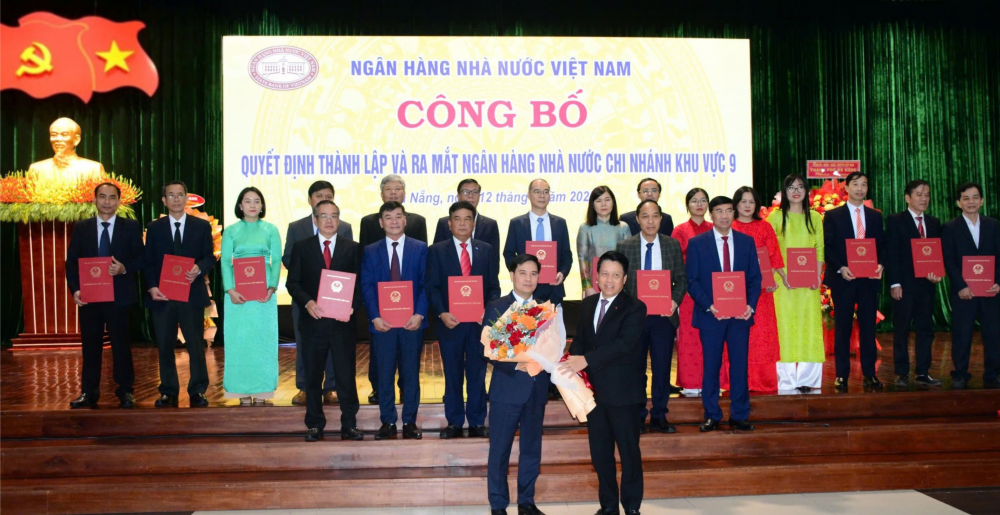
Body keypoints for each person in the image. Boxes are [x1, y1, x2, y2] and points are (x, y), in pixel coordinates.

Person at [561, 251, 647, 515]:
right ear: (596, 276)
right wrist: (566, 363)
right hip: (594, 394)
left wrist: (585, 360)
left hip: (624, 394)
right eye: (605, 274)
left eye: (616, 275)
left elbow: (624, 345)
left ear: (625, 279)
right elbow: (580, 341)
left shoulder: (635, 307)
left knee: (629, 454)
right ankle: (608, 506)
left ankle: (631, 507)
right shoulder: (587, 305)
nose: (609, 280)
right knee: (601, 455)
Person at [286, 200, 364, 441]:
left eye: (334, 216)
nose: (329, 221)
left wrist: (353, 306)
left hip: (342, 324)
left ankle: (349, 424)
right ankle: (314, 424)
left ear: (339, 220)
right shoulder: (302, 247)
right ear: (315, 219)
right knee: (312, 377)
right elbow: (293, 283)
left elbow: (361, 283)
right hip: (313, 322)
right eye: (324, 216)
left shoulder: (352, 248)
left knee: (345, 376)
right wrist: (307, 302)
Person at [685, 196, 762, 432]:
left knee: (739, 366)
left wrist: (750, 306)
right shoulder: (697, 243)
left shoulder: (746, 242)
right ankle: (712, 415)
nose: (725, 215)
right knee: (711, 367)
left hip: (740, 316)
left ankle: (739, 415)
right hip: (711, 316)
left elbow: (755, 278)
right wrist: (709, 306)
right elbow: (692, 281)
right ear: (711, 215)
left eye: (729, 210)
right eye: (719, 211)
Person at [426, 201, 501, 438]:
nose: (462, 224)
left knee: (477, 373)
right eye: (457, 219)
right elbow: (432, 287)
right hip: (450, 324)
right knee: (453, 373)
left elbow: (493, 286)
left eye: (467, 219)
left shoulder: (485, 249)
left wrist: (487, 311)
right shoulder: (437, 250)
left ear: (474, 223)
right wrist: (442, 313)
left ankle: (477, 421)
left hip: (478, 325)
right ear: (449, 224)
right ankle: (455, 422)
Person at [65, 182, 143, 409]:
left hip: (120, 296)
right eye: (102, 197)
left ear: (119, 201)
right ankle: (88, 392)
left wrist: (124, 268)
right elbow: (72, 262)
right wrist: (76, 289)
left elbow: (142, 258)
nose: (107, 202)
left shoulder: (130, 226)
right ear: (94, 200)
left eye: (112, 197)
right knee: (90, 346)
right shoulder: (82, 227)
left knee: (121, 345)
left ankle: (126, 391)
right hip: (90, 297)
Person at [485, 254, 549, 515]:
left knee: (531, 449)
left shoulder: (547, 310)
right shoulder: (497, 307)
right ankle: (498, 504)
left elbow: (552, 348)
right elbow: (489, 349)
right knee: (500, 450)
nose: (528, 278)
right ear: (512, 275)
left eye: (534, 273)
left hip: (537, 389)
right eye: (523, 272)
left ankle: (526, 502)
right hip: (507, 389)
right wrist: (518, 365)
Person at [144, 181, 217, 408]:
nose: (176, 199)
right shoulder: (154, 228)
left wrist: (199, 268)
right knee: (165, 345)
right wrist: (152, 287)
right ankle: (168, 391)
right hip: (162, 296)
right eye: (171, 195)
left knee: (195, 344)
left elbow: (209, 257)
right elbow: (148, 262)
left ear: (187, 199)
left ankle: (198, 390)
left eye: (180, 195)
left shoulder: (201, 226)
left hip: (191, 294)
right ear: (164, 200)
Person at [617, 199, 686, 433]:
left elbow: (681, 280)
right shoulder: (625, 246)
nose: (650, 221)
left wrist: (674, 302)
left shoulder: (671, 245)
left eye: (655, 216)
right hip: (635, 319)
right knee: (636, 370)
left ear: (661, 219)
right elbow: (620, 282)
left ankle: (659, 415)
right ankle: (637, 416)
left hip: (663, 318)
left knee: (662, 368)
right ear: (637, 219)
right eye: (645, 216)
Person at [282, 180, 353, 406]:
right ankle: (304, 387)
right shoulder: (296, 227)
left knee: (334, 344)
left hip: (336, 298)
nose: (324, 199)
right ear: (310, 200)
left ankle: (331, 387)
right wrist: (312, 271)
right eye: (319, 196)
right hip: (306, 299)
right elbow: (288, 258)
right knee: (305, 344)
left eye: (328, 196)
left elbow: (349, 262)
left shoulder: (344, 227)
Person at [361, 201, 427, 440]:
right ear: (381, 222)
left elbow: (426, 284)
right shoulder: (370, 250)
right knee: (384, 374)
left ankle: (410, 421)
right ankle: (387, 421)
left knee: (411, 374)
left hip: (412, 323)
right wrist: (375, 317)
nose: (394, 221)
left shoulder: (420, 248)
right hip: (383, 325)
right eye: (388, 217)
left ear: (405, 219)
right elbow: (367, 286)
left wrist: (419, 314)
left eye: (399, 216)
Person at [823, 172, 886, 391]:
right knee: (843, 327)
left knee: (868, 327)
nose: (860, 188)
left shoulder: (875, 216)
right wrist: (841, 267)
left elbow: (882, 245)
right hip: (844, 279)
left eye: (864, 185)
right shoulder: (833, 215)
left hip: (868, 280)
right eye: (856, 184)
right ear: (846, 188)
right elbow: (828, 246)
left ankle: (870, 374)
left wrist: (881, 265)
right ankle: (842, 375)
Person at [221, 187, 281, 404]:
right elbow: (225, 261)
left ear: (262, 205)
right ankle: (241, 391)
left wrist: (271, 287)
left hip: (264, 294)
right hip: (237, 295)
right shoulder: (231, 231)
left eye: (257, 201)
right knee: (240, 342)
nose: (252, 205)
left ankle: (263, 391)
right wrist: (230, 290)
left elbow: (276, 260)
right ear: (240, 205)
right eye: (248, 201)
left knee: (263, 342)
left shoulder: (271, 229)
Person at [766, 174, 826, 393]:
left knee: (809, 328)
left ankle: (808, 379)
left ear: (806, 190)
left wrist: (816, 276)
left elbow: (819, 249)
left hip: (809, 284)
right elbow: (771, 251)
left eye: (800, 187)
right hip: (783, 283)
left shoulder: (815, 217)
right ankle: (786, 381)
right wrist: (783, 275)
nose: (796, 191)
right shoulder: (775, 217)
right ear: (784, 192)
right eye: (791, 187)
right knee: (784, 328)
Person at [886, 179, 944, 387]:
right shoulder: (895, 220)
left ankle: (923, 372)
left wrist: (937, 273)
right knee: (901, 330)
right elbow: (892, 253)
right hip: (904, 286)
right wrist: (894, 283)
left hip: (926, 286)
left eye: (927, 195)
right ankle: (902, 373)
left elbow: (937, 253)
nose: (924, 199)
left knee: (925, 329)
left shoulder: (934, 222)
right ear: (907, 198)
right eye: (919, 194)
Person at [942, 182, 1000, 389]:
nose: (971, 202)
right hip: (964, 291)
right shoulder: (950, 227)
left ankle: (992, 374)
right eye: (966, 198)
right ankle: (960, 374)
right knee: (962, 333)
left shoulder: (994, 225)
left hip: (991, 291)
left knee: (993, 334)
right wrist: (961, 286)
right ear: (959, 203)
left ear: (982, 201)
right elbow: (949, 260)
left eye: (975, 197)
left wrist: (998, 282)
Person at [671, 187, 727, 394]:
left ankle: (714, 382)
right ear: (688, 205)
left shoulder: (715, 228)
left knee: (714, 336)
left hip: (715, 291)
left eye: (703, 200)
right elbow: (676, 262)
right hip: (689, 292)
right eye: (694, 201)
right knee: (689, 338)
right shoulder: (680, 230)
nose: (699, 204)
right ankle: (691, 383)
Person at [732, 186, 783, 392]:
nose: (747, 206)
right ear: (736, 204)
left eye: (751, 202)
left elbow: (774, 257)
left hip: (761, 293)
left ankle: (762, 380)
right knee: (737, 336)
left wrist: (774, 279)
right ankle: (737, 380)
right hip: (733, 294)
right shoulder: (729, 226)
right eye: (743, 201)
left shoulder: (765, 227)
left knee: (761, 336)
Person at [503, 179, 573, 307]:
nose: (542, 195)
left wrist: (562, 273)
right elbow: (508, 253)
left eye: (546, 192)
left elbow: (566, 254)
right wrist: (520, 274)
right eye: (537, 191)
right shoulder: (516, 224)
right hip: (526, 289)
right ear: (529, 195)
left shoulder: (560, 223)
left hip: (554, 289)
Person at [577, 185, 632, 298]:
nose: (603, 204)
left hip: (618, 284)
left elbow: (628, 259)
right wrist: (587, 287)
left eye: (607, 200)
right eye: (598, 201)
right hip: (593, 286)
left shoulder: (623, 227)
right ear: (592, 205)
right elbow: (583, 259)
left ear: (613, 202)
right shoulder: (585, 228)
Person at [433, 178, 500, 262]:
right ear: (458, 196)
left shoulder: (490, 224)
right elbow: (436, 255)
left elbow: (494, 259)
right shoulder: (444, 223)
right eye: (465, 192)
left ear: (479, 196)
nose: (470, 195)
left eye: (475, 192)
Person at [27, 117, 105, 185]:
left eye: (64, 135)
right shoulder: (36, 169)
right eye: (54, 135)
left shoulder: (93, 169)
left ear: (76, 139)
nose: (58, 139)